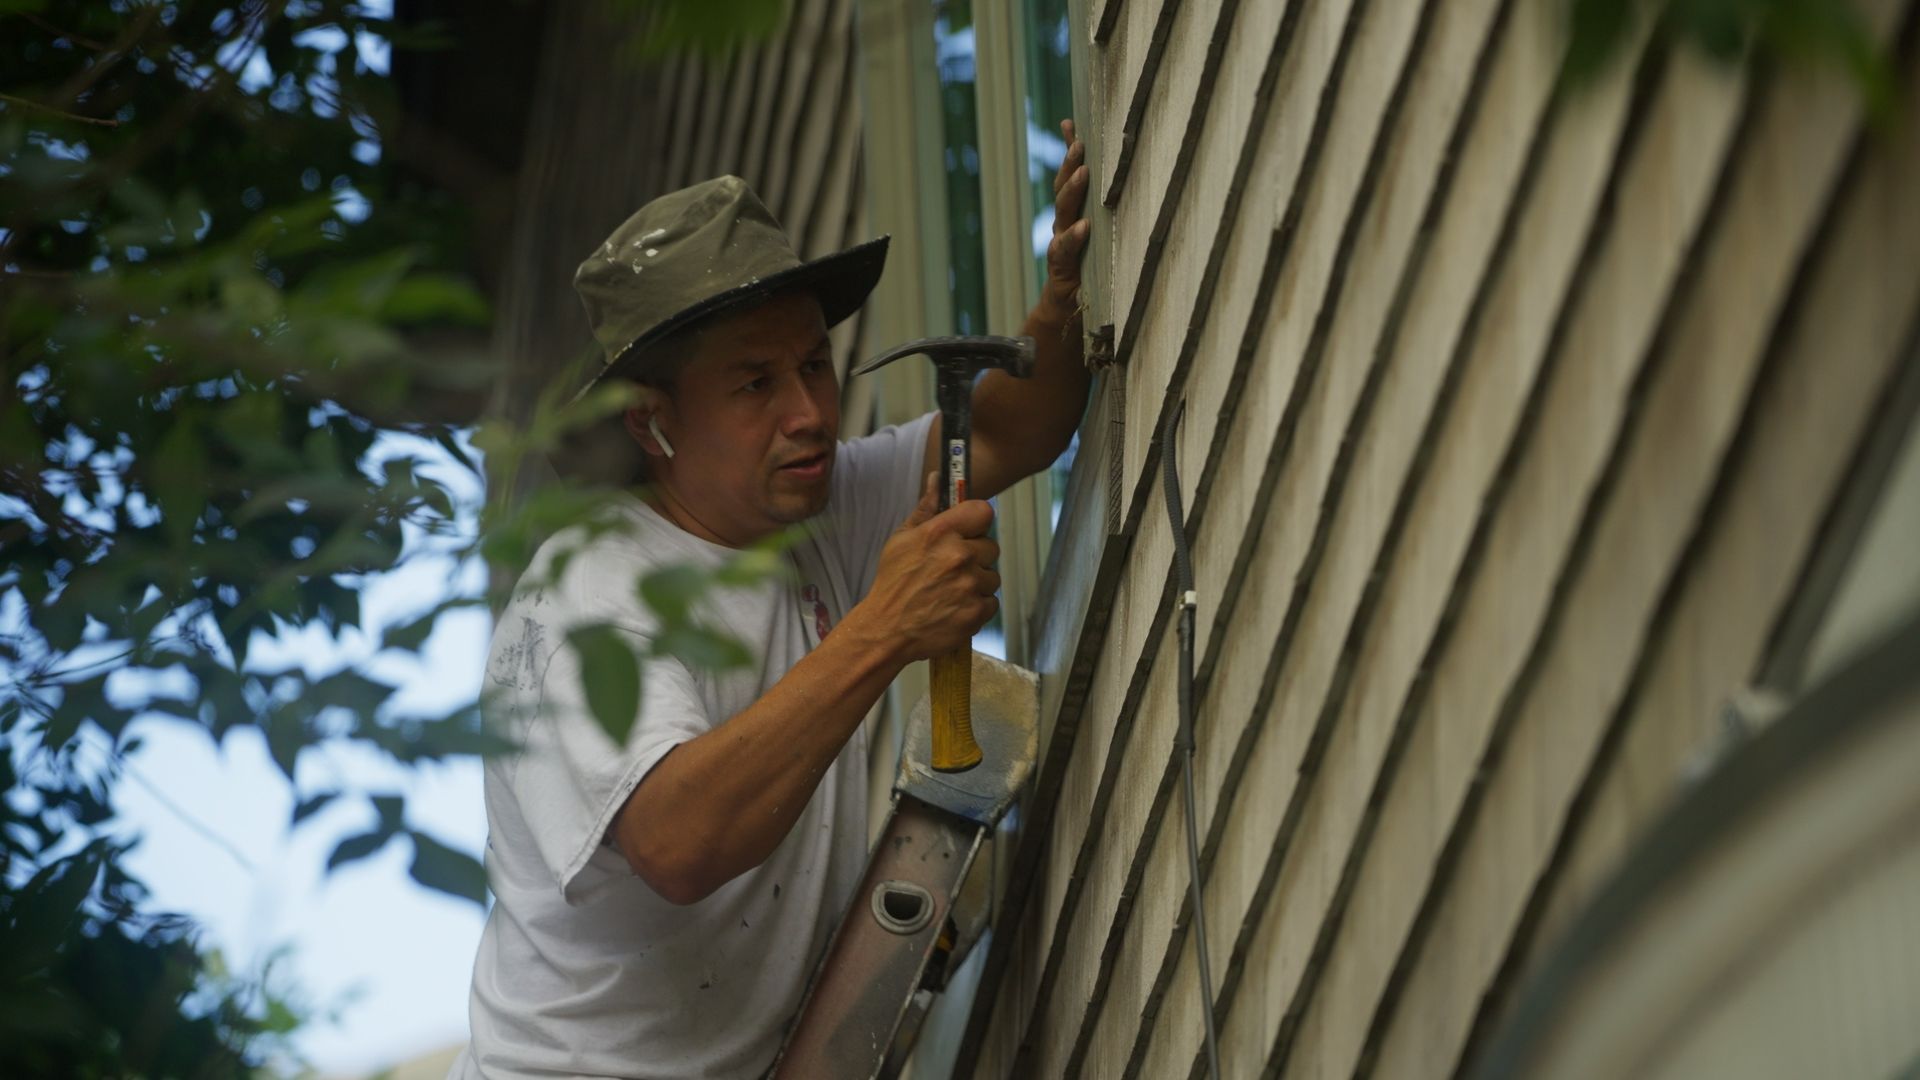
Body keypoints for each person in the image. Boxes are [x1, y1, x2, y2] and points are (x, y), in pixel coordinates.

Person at [453, 123, 1092, 1079]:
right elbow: (679, 840)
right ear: (652, 422)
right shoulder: (587, 596)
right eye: (755, 382)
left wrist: (1066, 300)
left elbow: (1011, 431)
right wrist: (883, 628)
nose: (807, 413)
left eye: (814, 366)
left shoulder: (811, 498)